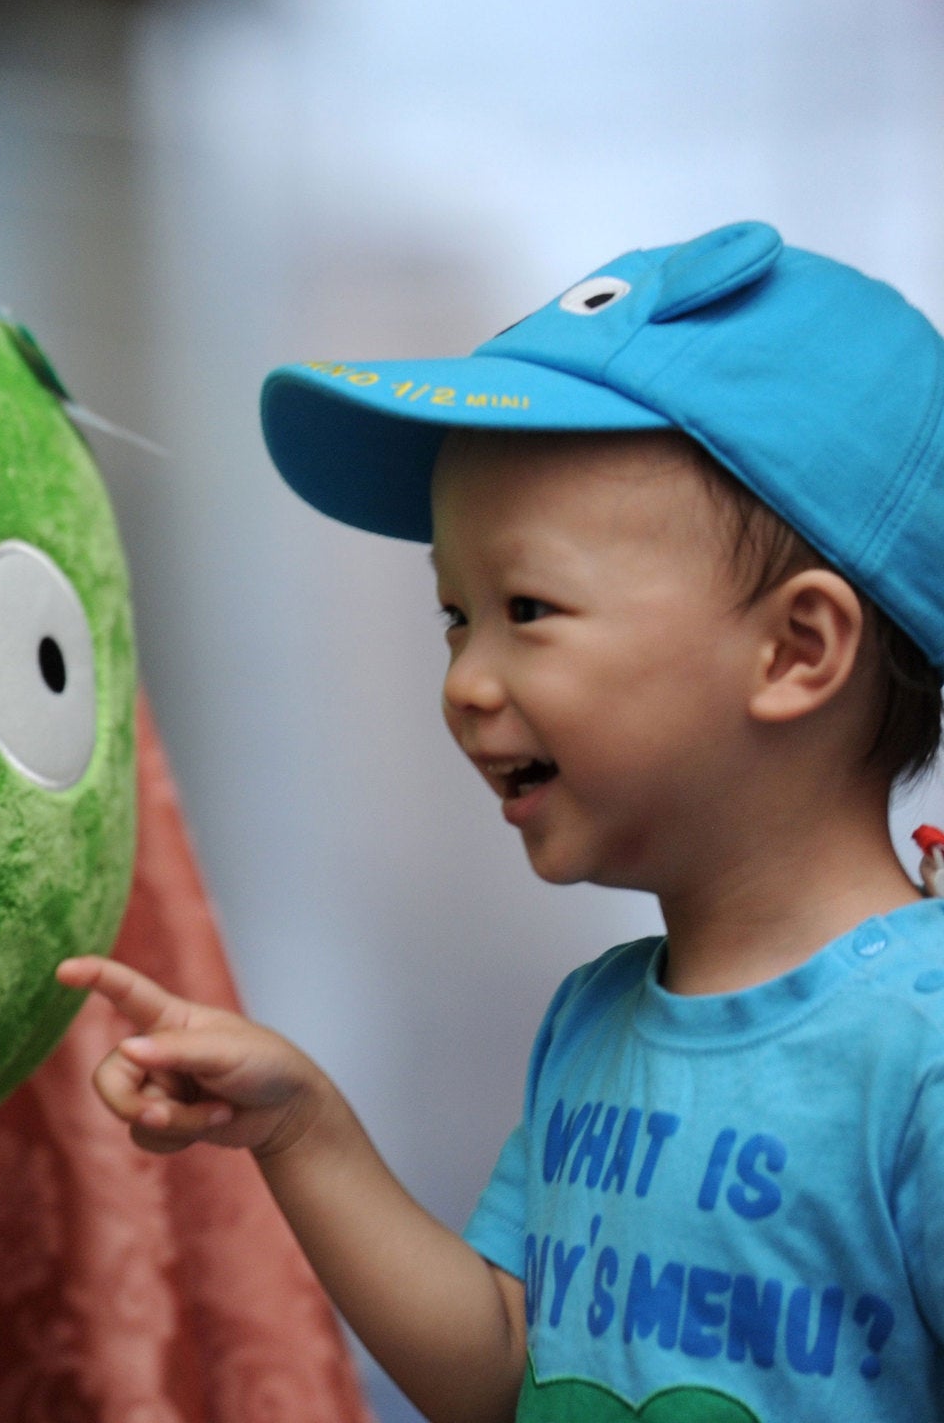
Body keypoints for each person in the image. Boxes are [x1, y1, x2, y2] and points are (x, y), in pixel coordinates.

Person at [59, 221, 944, 1422]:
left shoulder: (915, 1056)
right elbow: (500, 1369)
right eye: (452, 618)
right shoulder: (593, 1018)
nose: (464, 682)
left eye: (526, 607)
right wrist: (303, 1130)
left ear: (795, 650)